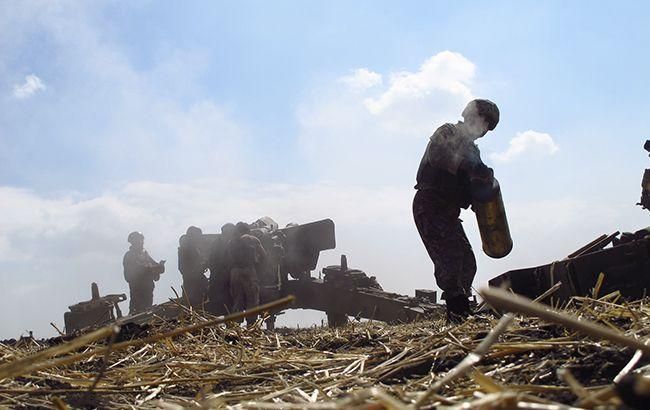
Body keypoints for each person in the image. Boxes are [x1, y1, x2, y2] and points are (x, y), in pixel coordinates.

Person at [413, 99, 499, 322]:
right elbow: (438, 156)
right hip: (430, 204)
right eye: (484, 122)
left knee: (468, 261)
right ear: (471, 116)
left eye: (488, 126)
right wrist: (470, 167)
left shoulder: (473, 151)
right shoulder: (447, 132)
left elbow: (471, 187)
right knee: (449, 258)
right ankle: (457, 310)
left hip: (449, 212)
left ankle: (462, 307)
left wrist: (483, 188)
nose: (484, 130)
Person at [227, 222, 267, 324]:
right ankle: (251, 324)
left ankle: (236, 325)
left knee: (237, 299)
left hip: (235, 273)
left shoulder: (231, 242)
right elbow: (264, 256)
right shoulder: (252, 239)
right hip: (249, 271)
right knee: (252, 299)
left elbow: (227, 259)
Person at [123, 231, 165, 315]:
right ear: (133, 242)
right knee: (137, 311)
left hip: (148, 288)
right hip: (138, 289)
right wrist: (151, 269)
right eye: (139, 240)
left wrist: (160, 266)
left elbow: (153, 264)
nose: (141, 242)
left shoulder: (145, 253)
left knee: (147, 308)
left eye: (142, 240)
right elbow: (134, 272)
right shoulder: (129, 256)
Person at [207, 223, 236, 314]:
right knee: (218, 304)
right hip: (220, 279)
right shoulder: (219, 244)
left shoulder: (217, 243)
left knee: (230, 305)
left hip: (225, 279)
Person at [178, 226, 209, 307]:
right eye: (198, 236)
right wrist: (201, 266)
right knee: (194, 305)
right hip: (192, 285)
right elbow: (183, 269)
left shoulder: (195, 249)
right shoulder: (185, 250)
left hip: (198, 282)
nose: (200, 239)